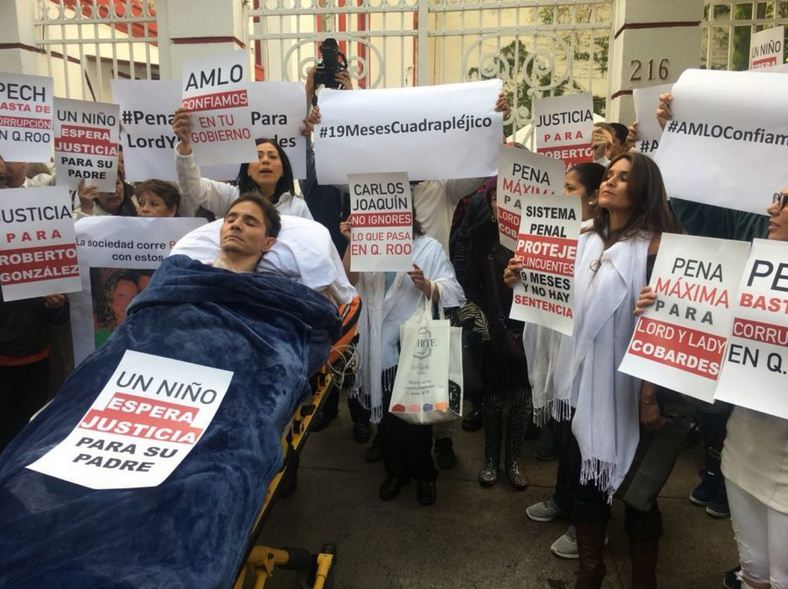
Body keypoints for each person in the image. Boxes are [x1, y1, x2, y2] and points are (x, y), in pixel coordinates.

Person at [635, 187, 788, 589]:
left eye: (785, 202)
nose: (771, 207)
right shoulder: (749, 268)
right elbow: (710, 330)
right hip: (744, 451)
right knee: (754, 574)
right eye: (776, 197)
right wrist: (663, 306)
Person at [547, 152, 682, 588]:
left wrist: (648, 395)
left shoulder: (662, 249)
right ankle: (591, 571)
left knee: (639, 496)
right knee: (589, 481)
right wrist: (522, 280)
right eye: (608, 175)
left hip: (638, 390)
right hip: (590, 385)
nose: (609, 182)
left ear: (642, 190)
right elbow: (561, 298)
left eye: (623, 178)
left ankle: (644, 581)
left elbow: (679, 326)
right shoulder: (586, 237)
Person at [340, 213, 464, 505]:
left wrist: (426, 284)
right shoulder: (367, 246)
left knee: (417, 417)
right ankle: (395, 472)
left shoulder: (428, 247)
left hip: (414, 346)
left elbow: (454, 290)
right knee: (387, 418)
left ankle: (424, 475)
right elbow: (346, 284)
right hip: (377, 348)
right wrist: (352, 243)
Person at [520, 162, 606, 560]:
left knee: (588, 441)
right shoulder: (557, 233)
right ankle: (564, 498)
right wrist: (519, 277)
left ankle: (588, 525)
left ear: (593, 196)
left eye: (570, 188)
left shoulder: (605, 241)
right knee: (566, 434)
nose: (562, 193)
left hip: (587, 358)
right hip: (559, 350)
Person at [459, 178, 528, 489]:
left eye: (512, 198)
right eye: (498, 199)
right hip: (490, 328)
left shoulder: (539, 239)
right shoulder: (480, 235)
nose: (504, 205)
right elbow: (470, 283)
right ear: (490, 204)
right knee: (492, 398)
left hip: (526, 330)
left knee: (522, 398)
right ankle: (490, 460)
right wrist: (481, 322)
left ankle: (513, 461)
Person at [171, 112, 312, 220]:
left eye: (273, 156)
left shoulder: (298, 207)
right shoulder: (231, 197)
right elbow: (192, 187)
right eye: (258, 156)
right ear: (248, 170)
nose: (265, 161)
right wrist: (185, 146)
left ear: (283, 170)